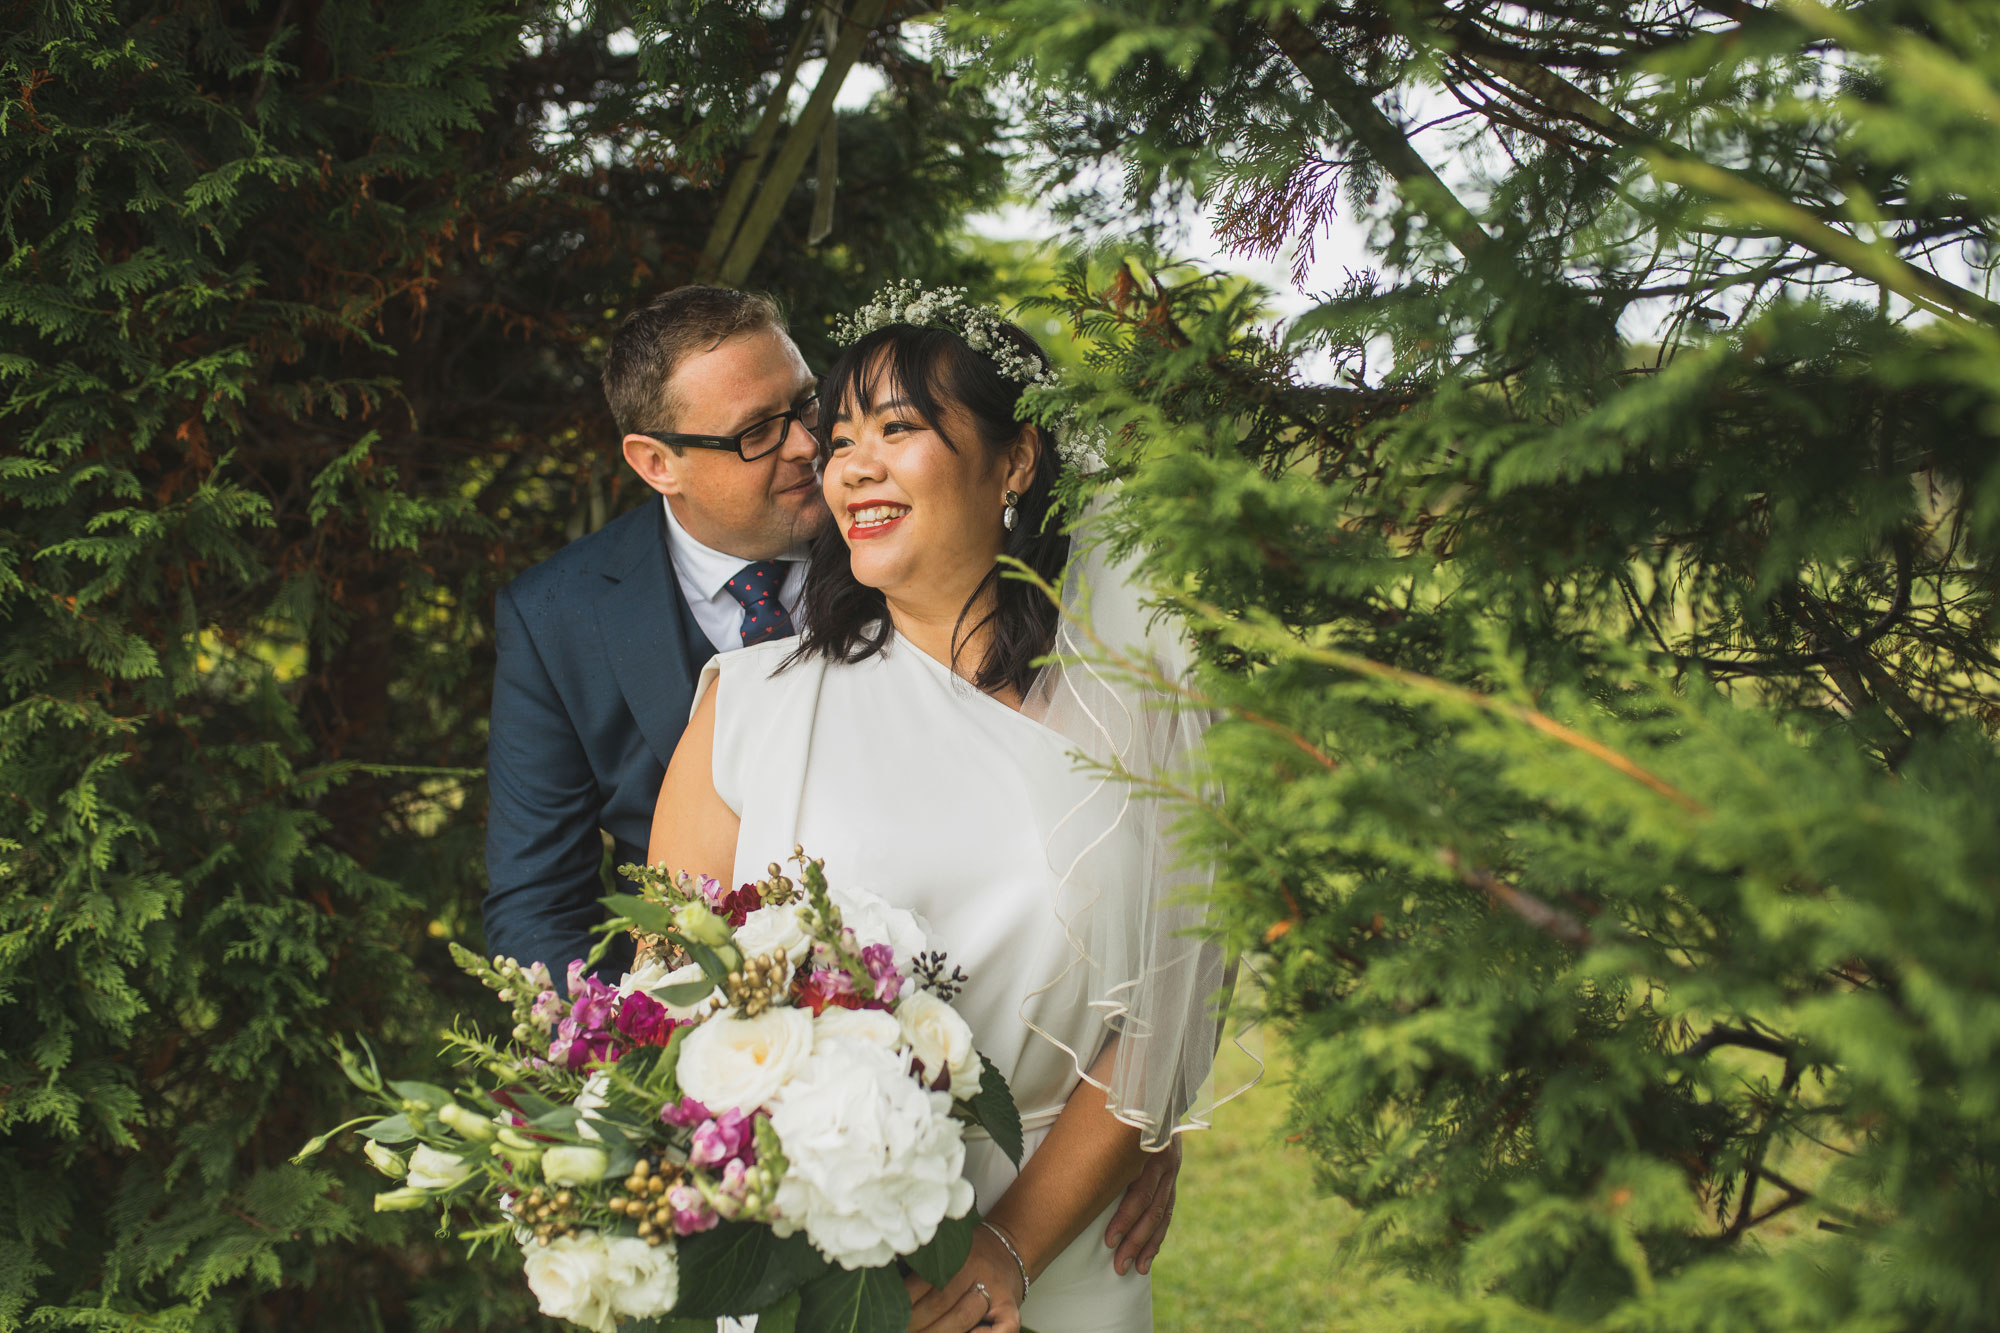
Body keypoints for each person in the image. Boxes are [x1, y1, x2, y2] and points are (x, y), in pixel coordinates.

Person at [482, 284, 1182, 1283]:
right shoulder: (721, 688)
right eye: (764, 430)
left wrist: (1133, 1128)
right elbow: (584, 932)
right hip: (790, 1206)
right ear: (655, 462)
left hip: (1058, 1216)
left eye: (814, 407)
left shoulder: (1113, 705)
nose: (822, 452)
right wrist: (627, 1141)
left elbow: (1165, 990)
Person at [649, 296, 1234, 1332]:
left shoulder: (1146, 713)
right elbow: (669, 1008)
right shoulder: (746, 707)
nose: (851, 466)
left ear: (1015, 461)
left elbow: (1172, 1008)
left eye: (897, 429)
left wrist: (1007, 1251)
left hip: (1055, 1263)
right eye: (837, 440)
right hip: (806, 1267)